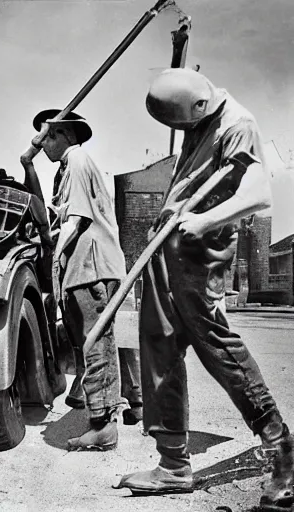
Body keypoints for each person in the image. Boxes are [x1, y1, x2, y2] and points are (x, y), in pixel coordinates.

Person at [116, 68, 293, 510]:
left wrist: (205, 221)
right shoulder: (199, 117)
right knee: (158, 348)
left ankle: (284, 456)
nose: (183, 132)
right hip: (166, 250)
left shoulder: (238, 124)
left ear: (198, 107)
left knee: (221, 350)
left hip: (200, 253)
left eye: (184, 123)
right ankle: (173, 464)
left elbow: (258, 194)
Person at [20, 109, 142, 450]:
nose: (44, 144)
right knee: (100, 340)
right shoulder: (67, 169)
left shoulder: (76, 160)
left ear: (67, 136)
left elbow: (73, 222)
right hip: (89, 267)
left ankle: (103, 425)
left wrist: (55, 264)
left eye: (50, 136)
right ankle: (129, 406)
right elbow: (47, 217)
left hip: (90, 267)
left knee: (94, 342)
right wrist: (28, 167)